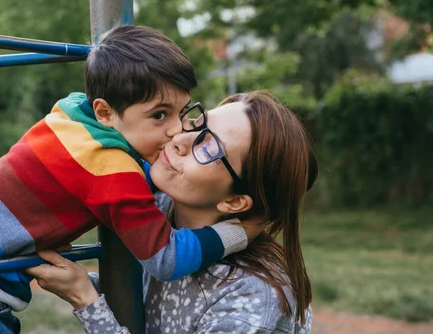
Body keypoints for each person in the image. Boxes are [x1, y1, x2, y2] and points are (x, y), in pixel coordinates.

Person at [0, 25, 254, 334]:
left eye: (182, 110)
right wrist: (241, 232)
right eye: (159, 115)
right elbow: (167, 259)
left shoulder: (72, 114)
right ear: (106, 112)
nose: (176, 129)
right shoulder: (111, 169)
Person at [28, 91, 318, 333]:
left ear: (235, 203)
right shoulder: (154, 208)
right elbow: (141, 294)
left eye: (209, 148)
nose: (180, 138)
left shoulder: (249, 293)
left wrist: (87, 301)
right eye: (197, 123)